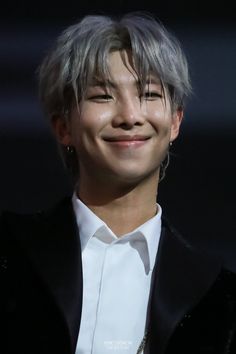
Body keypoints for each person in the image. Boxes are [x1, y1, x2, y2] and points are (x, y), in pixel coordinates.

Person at [1, 12, 236, 354]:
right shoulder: (12, 255)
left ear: (175, 122)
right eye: (102, 96)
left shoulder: (219, 298)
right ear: (62, 125)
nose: (129, 116)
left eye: (149, 94)